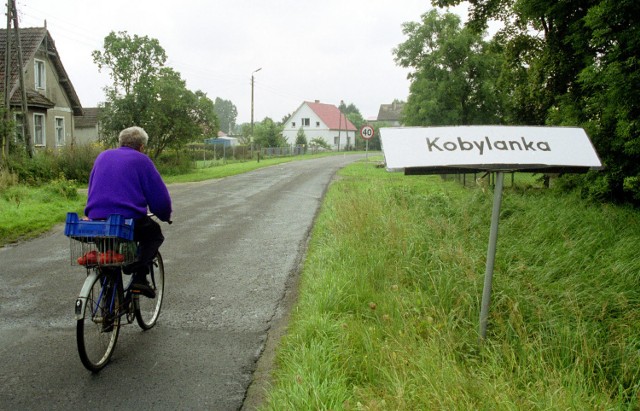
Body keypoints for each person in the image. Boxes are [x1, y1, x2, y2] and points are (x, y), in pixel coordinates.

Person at [85, 126, 172, 298]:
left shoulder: (102, 156)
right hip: (128, 220)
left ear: (121, 143)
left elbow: (92, 187)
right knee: (154, 235)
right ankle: (139, 277)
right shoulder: (141, 160)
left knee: (108, 256)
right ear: (141, 147)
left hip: (98, 220)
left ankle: (109, 303)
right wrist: (164, 215)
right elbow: (158, 196)